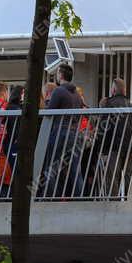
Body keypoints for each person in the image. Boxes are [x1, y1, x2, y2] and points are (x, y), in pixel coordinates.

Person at [42, 64, 84, 197]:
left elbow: (49, 112)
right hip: (74, 133)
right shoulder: (77, 94)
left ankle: (51, 197)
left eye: (57, 73)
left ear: (61, 75)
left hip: (60, 132)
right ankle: (80, 197)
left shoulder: (59, 91)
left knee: (52, 167)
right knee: (75, 169)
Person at [96, 78, 132, 198]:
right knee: (130, 180)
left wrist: (101, 148)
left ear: (113, 90)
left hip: (113, 148)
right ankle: (130, 207)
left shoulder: (108, 104)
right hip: (130, 149)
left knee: (112, 182)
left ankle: (114, 209)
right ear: (124, 90)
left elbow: (103, 128)